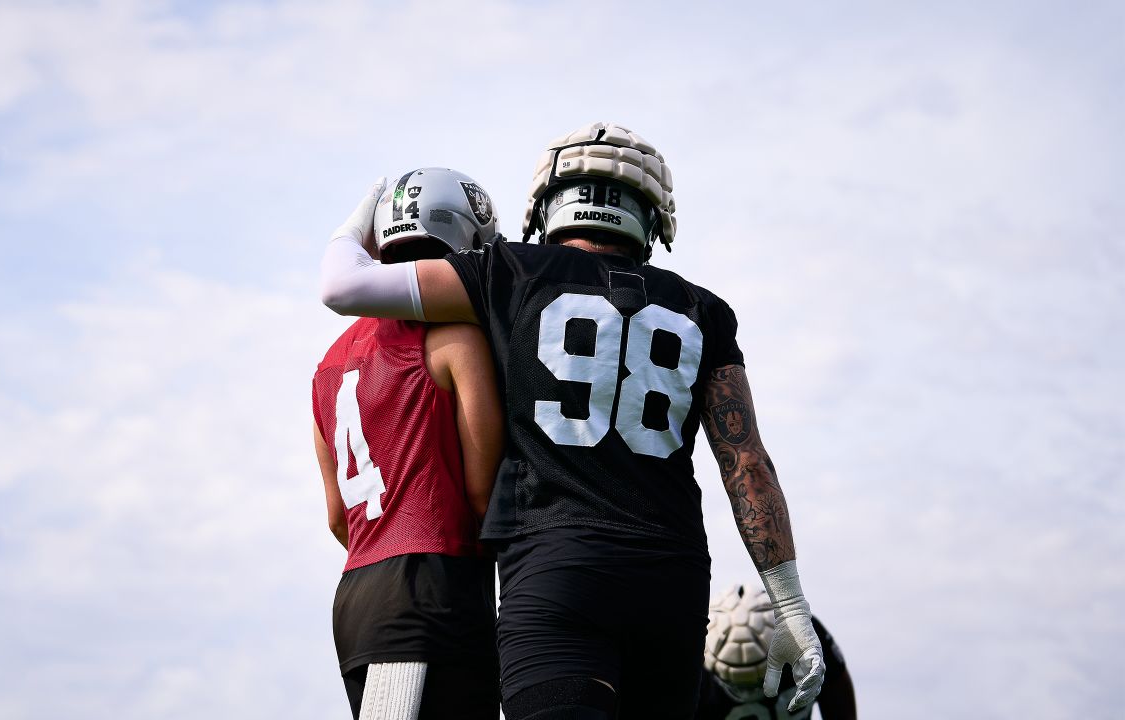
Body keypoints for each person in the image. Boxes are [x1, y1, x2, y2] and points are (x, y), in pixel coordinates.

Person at [320, 122, 826, 719]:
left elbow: (344, 284)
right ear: (652, 214)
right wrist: (789, 605)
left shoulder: (509, 271)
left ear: (546, 204)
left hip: (556, 574)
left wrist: (358, 224)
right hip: (671, 582)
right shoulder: (705, 311)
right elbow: (747, 464)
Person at [312, 167, 505, 720]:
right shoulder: (453, 334)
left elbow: (336, 517)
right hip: (431, 587)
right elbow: (480, 491)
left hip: (359, 595)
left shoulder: (329, 363)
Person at [700, 584, 855, 719]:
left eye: (758, 682)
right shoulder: (694, 674)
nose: (749, 694)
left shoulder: (808, 642)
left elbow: (839, 700)